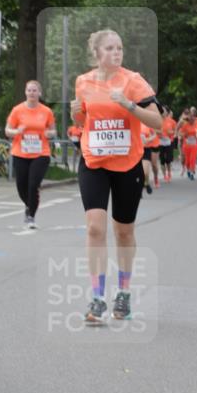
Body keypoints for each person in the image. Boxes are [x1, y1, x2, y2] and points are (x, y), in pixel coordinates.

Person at [71, 28, 162, 324]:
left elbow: (157, 122)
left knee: (123, 231)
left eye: (119, 48)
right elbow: (83, 121)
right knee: (94, 229)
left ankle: (123, 292)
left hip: (127, 164)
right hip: (94, 161)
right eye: (109, 48)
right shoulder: (83, 82)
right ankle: (97, 297)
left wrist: (129, 105)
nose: (116, 53)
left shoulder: (133, 81)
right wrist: (75, 114)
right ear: (96, 53)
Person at [5, 81, 57, 228]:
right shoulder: (17, 110)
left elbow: (53, 131)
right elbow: (7, 130)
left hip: (41, 153)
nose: (32, 93)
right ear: (25, 92)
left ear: (39, 93)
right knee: (21, 186)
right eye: (29, 90)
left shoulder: (46, 111)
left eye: (34, 90)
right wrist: (17, 131)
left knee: (33, 185)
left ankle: (31, 216)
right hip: (20, 153)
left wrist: (49, 134)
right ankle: (29, 205)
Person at [179, 108, 197, 180]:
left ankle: (191, 172)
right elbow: (181, 133)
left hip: (195, 145)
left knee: (192, 159)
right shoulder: (185, 125)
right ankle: (188, 169)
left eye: (193, 118)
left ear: (194, 118)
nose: (192, 119)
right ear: (188, 119)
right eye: (190, 118)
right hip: (186, 145)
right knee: (187, 160)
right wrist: (183, 135)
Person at [140, 122, 160, 194]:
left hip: (146, 150)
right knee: (137, 172)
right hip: (135, 150)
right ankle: (140, 187)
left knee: (145, 171)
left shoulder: (148, 123)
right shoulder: (133, 123)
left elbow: (154, 135)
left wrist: (148, 139)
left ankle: (147, 182)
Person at [158, 107, 177, 182]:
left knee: (168, 159)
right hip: (160, 142)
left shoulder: (171, 121)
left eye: (164, 111)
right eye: (161, 111)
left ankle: (169, 172)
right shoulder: (157, 120)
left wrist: (171, 133)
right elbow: (153, 130)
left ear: (167, 112)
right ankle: (164, 175)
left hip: (169, 141)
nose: (163, 112)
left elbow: (175, 132)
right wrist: (159, 134)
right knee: (162, 160)